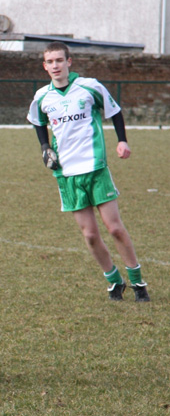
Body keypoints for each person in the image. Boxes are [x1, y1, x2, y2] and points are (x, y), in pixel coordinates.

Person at [27, 41, 150, 302]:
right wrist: (45, 147)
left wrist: (122, 140)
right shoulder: (42, 97)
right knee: (91, 235)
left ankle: (138, 283)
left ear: (69, 62)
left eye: (59, 60)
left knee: (114, 228)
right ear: (45, 66)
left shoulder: (89, 86)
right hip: (66, 173)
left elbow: (115, 112)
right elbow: (38, 122)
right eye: (50, 62)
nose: (55, 65)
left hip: (95, 168)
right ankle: (114, 281)